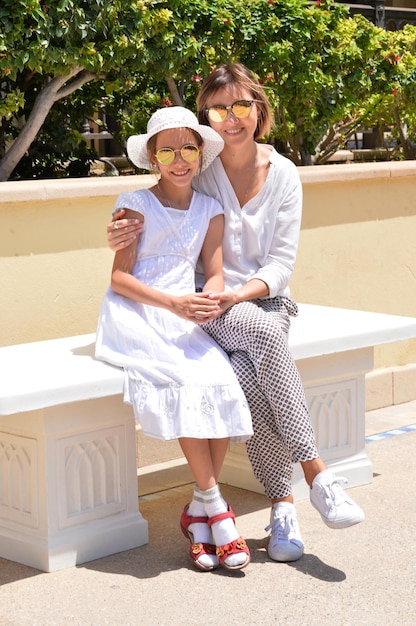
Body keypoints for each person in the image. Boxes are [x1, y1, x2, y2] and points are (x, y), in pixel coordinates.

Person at [106, 63, 365, 564]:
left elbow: (282, 263)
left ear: (258, 109)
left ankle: (285, 503)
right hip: (206, 301)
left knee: (253, 362)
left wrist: (240, 294)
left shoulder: (285, 174)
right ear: (208, 118)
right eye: (219, 109)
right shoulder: (199, 168)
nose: (231, 118)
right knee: (261, 344)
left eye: (241, 105)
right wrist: (118, 232)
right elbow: (158, 208)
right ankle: (312, 477)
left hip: (260, 298)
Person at [95, 106, 252, 572]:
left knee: (222, 380)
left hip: (187, 314)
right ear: (152, 156)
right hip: (138, 313)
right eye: (167, 150)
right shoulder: (133, 204)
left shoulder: (209, 209)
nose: (179, 159)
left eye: (188, 148)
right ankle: (217, 509)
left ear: (201, 153)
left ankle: (199, 513)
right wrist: (174, 304)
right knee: (183, 380)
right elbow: (119, 279)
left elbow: (217, 272)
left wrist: (211, 300)